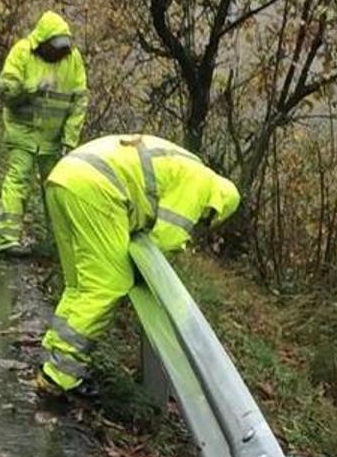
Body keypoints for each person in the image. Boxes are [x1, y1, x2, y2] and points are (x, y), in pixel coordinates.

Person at [35, 134, 241, 397]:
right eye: (207, 218)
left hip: (65, 177)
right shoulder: (200, 186)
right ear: (218, 206)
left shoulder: (189, 166)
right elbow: (166, 239)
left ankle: (54, 355)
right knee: (108, 285)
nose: (201, 221)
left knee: (79, 285)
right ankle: (60, 376)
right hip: (96, 189)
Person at [0, 11, 89, 256]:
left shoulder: (73, 59)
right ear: (43, 42)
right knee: (18, 181)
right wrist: (30, 90)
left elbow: (79, 102)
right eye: (55, 47)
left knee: (56, 189)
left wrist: (69, 139)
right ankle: (6, 239)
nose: (59, 52)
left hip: (54, 140)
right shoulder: (22, 52)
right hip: (22, 132)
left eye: (63, 47)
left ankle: (57, 243)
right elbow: (5, 91)